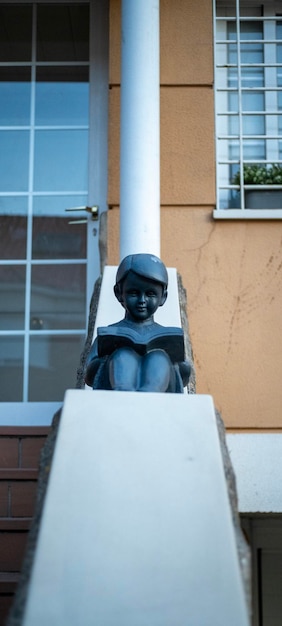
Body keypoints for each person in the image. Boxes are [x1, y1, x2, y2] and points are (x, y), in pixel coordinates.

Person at [85, 254, 191, 392]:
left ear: (163, 297)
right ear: (119, 293)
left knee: (158, 358)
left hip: (159, 398)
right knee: (123, 356)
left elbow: (183, 375)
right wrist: (106, 359)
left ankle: (149, 392)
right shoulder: (110, 333)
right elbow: (89, 375)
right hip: (117, 394)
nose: (142, 300)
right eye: (134, 293)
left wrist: (182, 365)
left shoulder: (166, 336)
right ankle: (124, 392)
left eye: (150, 294)